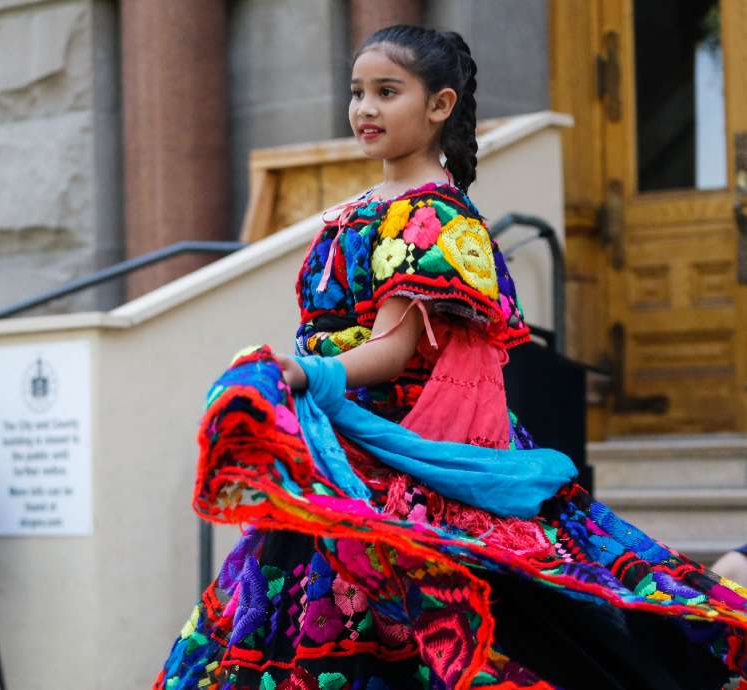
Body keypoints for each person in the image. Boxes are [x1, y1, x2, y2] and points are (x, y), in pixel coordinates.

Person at [155, 25, 747, 690]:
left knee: (439, 632)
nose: (365, 109)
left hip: (409, 459)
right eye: (357, 93)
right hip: (341, 456)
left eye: (387, 92)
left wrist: (307, 373)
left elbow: (395, 348)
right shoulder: (363, 211)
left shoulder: (434, 219)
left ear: (439, 106)